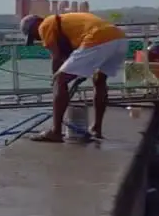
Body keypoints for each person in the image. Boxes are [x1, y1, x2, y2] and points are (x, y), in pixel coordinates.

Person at [20, 11, 128, 142]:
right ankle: (96, 129)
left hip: (98, 38)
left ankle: (56, 132)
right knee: (99, 80)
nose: (38, 39)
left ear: (36, 24)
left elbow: (57, 58)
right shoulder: (65, 22)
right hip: (119, 38)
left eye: (33, 35)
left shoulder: (44, 25)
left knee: (60, 80)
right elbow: (71, 54)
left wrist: (56, 79)